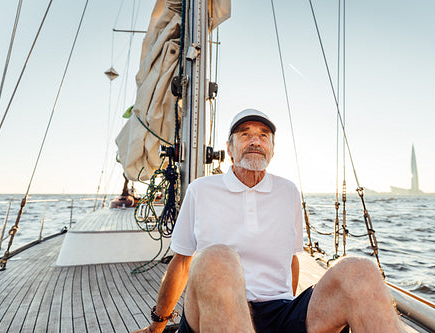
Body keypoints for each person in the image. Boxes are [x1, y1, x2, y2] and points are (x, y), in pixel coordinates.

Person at [133, 109, 403, 333]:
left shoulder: (287, 192)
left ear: (272, 149)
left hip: (279, 313)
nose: (255, 141)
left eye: (264, 136)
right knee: (217, 258)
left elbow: (291, 261)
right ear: (229, 148)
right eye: (245, 134)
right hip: (213, 311)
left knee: (359, 269)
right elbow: (181, 264)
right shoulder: (200, 190)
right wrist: (157, 326)